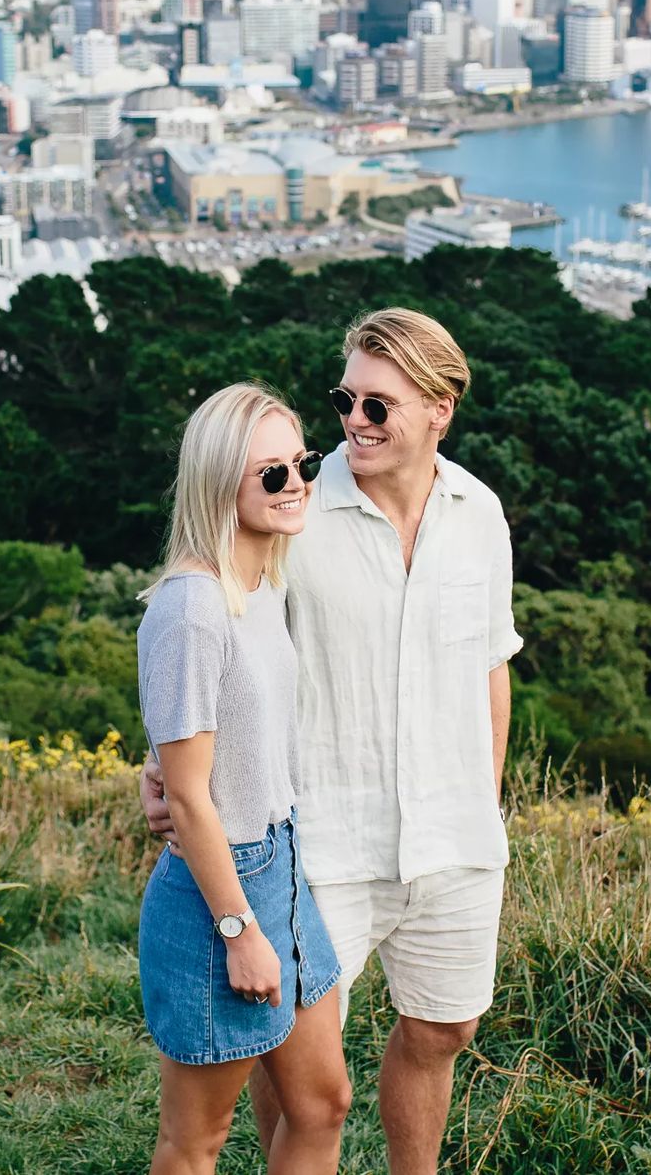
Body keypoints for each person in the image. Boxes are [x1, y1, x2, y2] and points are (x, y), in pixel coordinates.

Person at [143, 309, 521, 1175]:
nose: (353, 422)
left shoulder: (481, 514)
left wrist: (485, 804)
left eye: (378, 406)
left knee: (444, 1027)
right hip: (322, 843)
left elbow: (492, 662)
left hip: (456, 840)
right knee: (299, 1066)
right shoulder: (297, 509)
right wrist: (160, 761)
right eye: (346, 400)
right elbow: (211, 635)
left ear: (439, 410)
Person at [136, 382, 351, 1175]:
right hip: (219, 895)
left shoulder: (263, 585)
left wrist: (158, 764)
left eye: (302, 463)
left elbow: (195, 742)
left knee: (323, 1104)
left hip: (281, 868)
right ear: (217, 481)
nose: (293, 483)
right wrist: (238, 932)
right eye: (269, 473)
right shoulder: (194, 606)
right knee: (197, 1144)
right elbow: (191, 799)